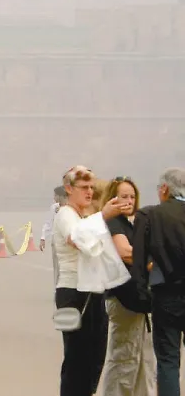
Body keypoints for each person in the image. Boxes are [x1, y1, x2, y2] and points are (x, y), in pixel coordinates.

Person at [57, 165, 125, 396]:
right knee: (76, 358)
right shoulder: (65, 215)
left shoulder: (86, 216)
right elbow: (79, 239)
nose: (89, 192)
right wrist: (103, 216)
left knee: (96, 355)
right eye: (84, 187)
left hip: (93, 290)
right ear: (69, 188)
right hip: (73, 292)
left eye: (91, 188)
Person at [133, 168, 185, 396]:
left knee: (168, 359)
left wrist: (142, 297)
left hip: (166, 296)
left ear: (164, 189)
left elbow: (139, 261)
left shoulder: (149, 216)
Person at [100, 176, 153, 396]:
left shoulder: (132, 223)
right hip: (123, 299)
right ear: (112, 198)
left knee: (143, 358)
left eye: (132, 196)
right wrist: (154, 262)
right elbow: (125, 253)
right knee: (124, 358)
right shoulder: (113, 223)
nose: (129, 201)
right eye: (123, 196)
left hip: (138, 300)